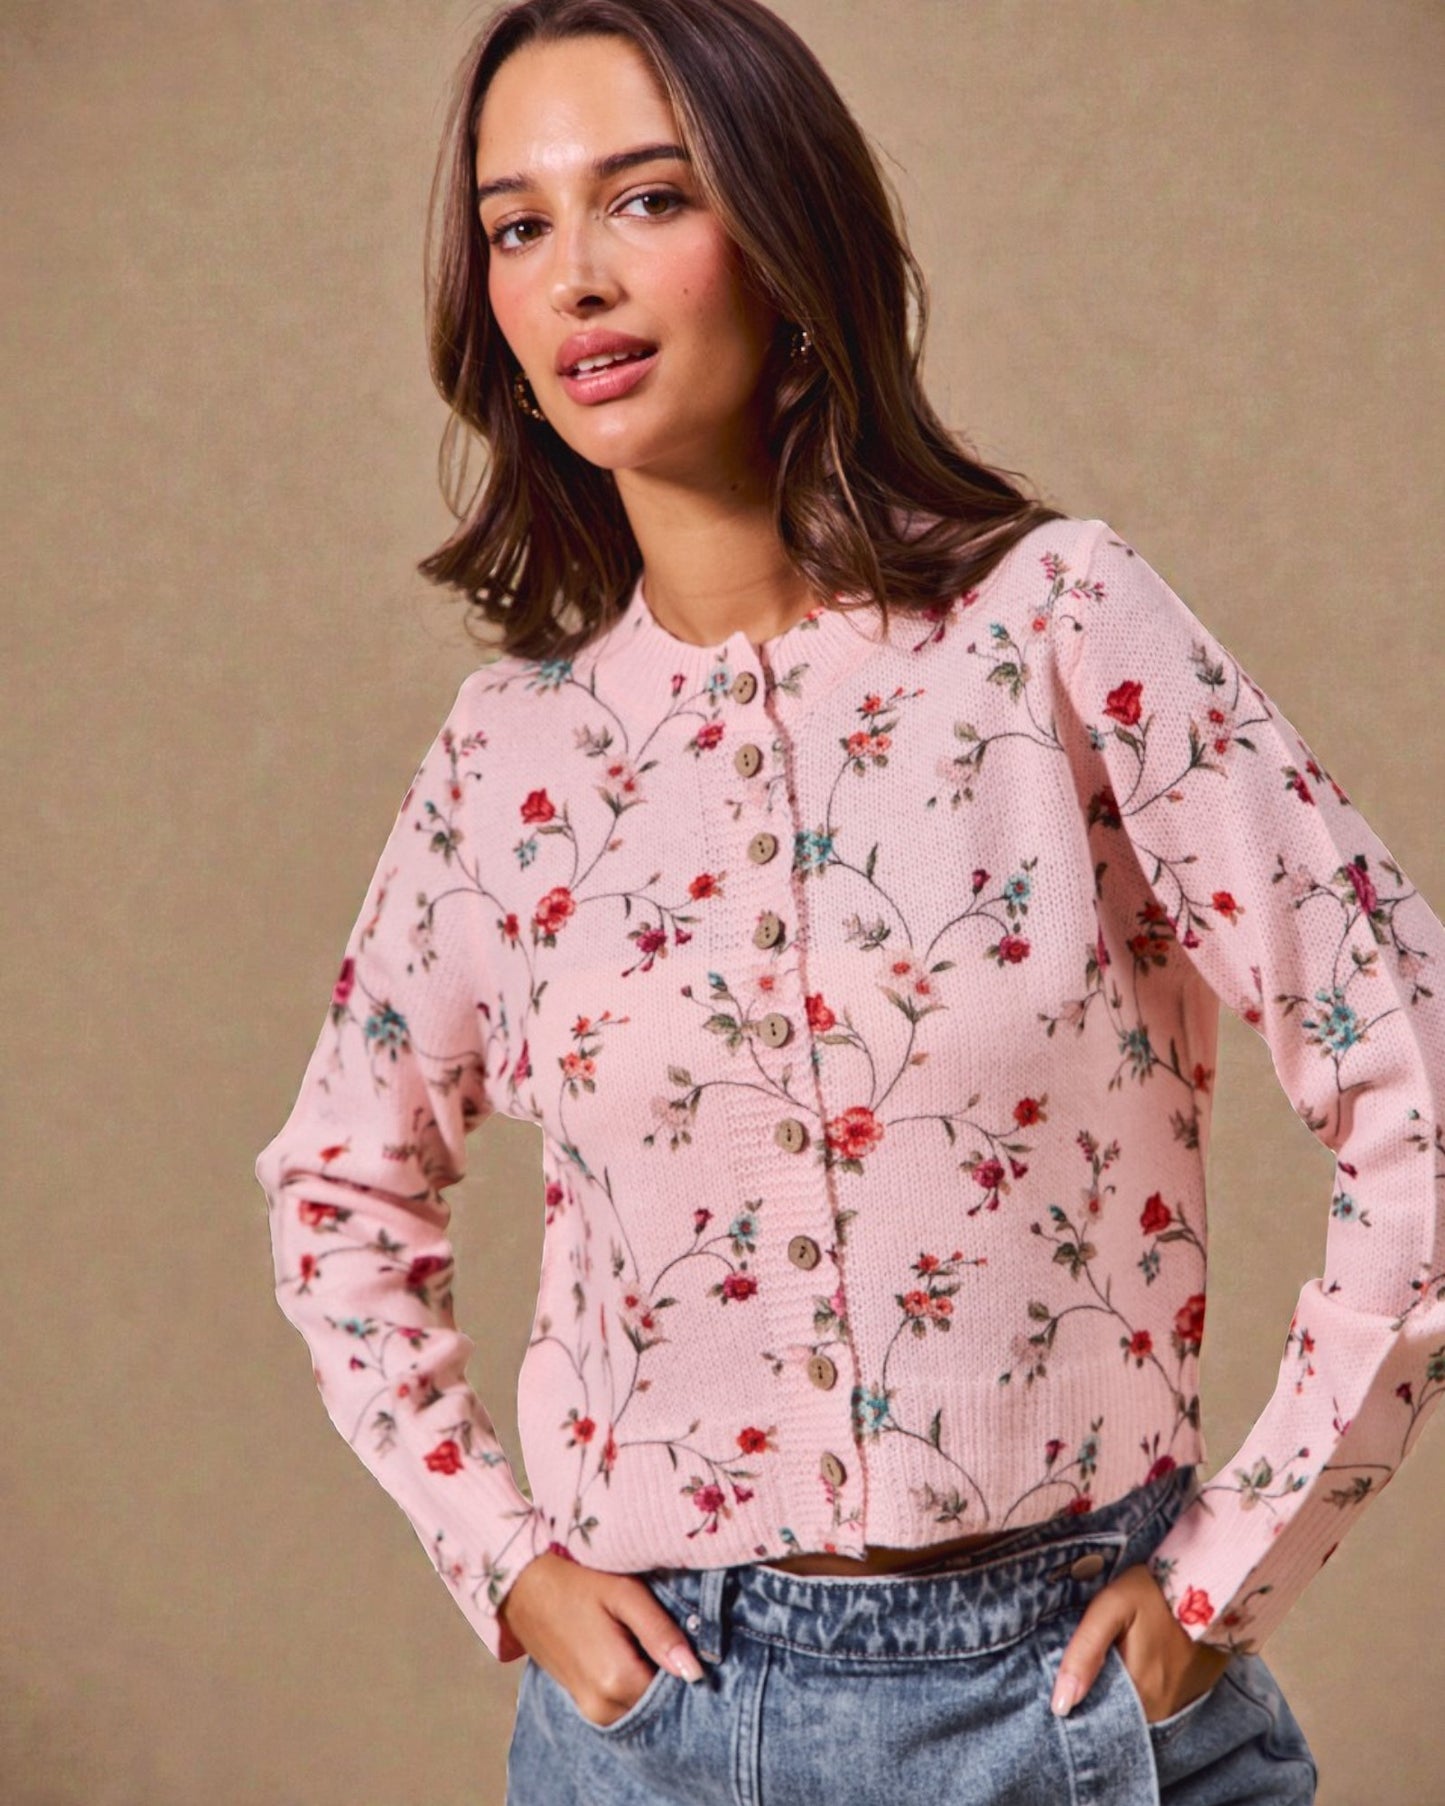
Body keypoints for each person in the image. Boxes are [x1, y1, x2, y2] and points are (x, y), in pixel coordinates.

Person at [252, 2, 1444, 1801]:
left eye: (645, 199)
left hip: (1074, 1710)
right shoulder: (514, 757)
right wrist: (500, 1556)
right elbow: (337, 1192)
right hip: (651, 1733)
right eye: (517, 225)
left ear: (787, 232)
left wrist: (1228, 1569)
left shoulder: (1058, 627)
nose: (574, 275)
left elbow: (1417, 1077)